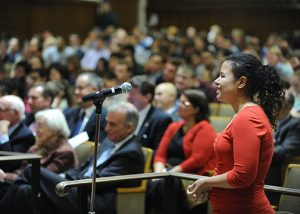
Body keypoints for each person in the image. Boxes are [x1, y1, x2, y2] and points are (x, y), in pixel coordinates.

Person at [0, 102, 144, 214]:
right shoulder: (109, 141)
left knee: (33, 170)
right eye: (107, 123)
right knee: (24, 190)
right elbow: (84, 167)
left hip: (91, 198)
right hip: (77, 187)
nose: (106, 128)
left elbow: (99, 181)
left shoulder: (131, 152)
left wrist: (69, 181)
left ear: (129, 128)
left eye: (113, 125)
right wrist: (66, 177)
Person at [187, 53, 285, 213]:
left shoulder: (248, 117)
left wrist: (207, 182)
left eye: (222, 76)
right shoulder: (243, 115)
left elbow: (242, 176)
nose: (216, 81)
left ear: (241, 82)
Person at [147, 89, 217, 213]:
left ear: (196, 109)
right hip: (167, 172)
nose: (179, 105)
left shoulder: (205, 128)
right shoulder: (174, 126)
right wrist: (158, 172)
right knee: (153, 181)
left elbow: (197, 159)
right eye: (179, 102)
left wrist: (173, 172)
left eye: (184, 103)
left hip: (190, 174)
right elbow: (160, 154)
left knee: (168, 182)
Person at [265, 90, 300, 205]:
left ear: (289, 107)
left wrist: (259, 151)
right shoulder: (266, 120)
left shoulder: (295, 125)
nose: (274, 104)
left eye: (279, 102)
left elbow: (284, 151)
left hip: (276, 172)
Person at [128, 75, 172, 151]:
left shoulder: (161, 120)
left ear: (147, 97)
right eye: (128, 93)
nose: (128, 97)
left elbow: (159, 151)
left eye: (133, 93)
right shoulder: (125, 113)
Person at [64, 72, 107, 141]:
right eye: (76, 88)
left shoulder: (103, 117)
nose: (76, 92)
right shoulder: (69, 113)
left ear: (94, 90)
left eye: (80, 88)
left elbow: (98, 145)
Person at [0, 95, 35, 170]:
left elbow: (11, 163)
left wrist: (3, 135)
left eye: (1, 109)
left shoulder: (25, 135)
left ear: (15, 113)